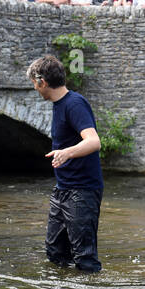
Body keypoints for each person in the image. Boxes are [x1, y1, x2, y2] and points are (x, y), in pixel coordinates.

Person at [30, 55, 103, 273]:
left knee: (84, 257)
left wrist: (67, 153)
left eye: (34, 84)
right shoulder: (58, 104)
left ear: (41, 81)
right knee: (55, 252)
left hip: (83, 190)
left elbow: (94, 141)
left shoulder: (74, 104)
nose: (35, 89)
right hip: (63, 189)